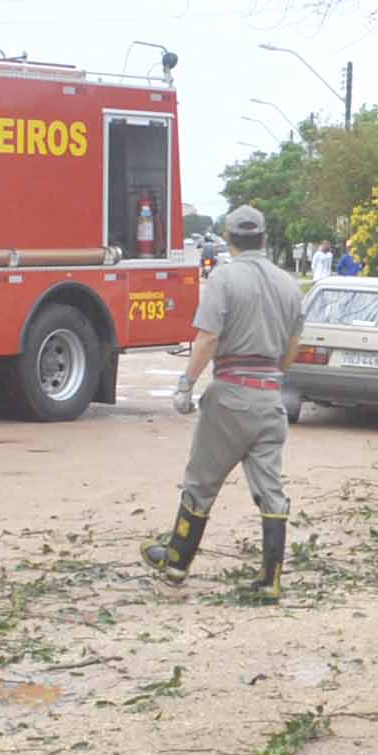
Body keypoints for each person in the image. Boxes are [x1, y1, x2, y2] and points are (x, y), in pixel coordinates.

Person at [143, 203, 307, 601]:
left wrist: (186, 384)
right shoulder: (288, 284)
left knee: (201, 481)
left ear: (229, 239)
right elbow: (292, 349)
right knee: (270, 489)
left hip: (230, 396)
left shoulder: (223, 277)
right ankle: (271, 578)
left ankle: (178, 561)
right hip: (271, 399)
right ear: (264, 239)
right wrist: (270, 371)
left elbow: (208, 338)